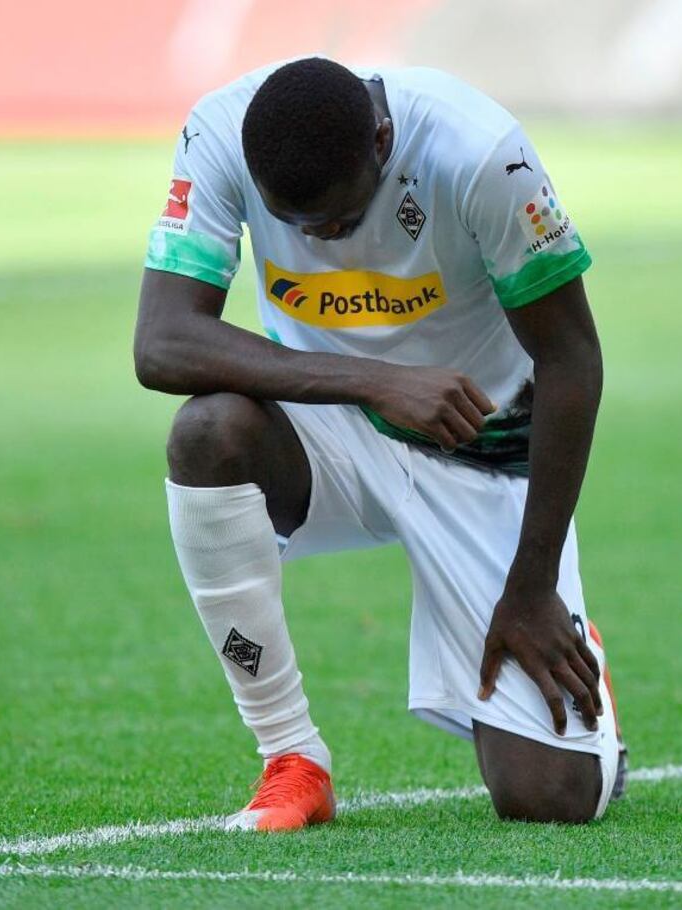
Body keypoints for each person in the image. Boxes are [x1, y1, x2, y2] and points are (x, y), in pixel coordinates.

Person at [134, 57, 626, 830]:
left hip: (482, 447)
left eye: (335, 219)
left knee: (547, 799)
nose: (317, 239)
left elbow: (572, 359)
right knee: (208, 434)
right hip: (331, 430)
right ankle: (291, 756)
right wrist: (372, 381)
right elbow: (161, 342)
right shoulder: (219, 134)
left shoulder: (480, 153)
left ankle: (572, 628)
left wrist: (532, 585)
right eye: (292, 224)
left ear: (384, 142)